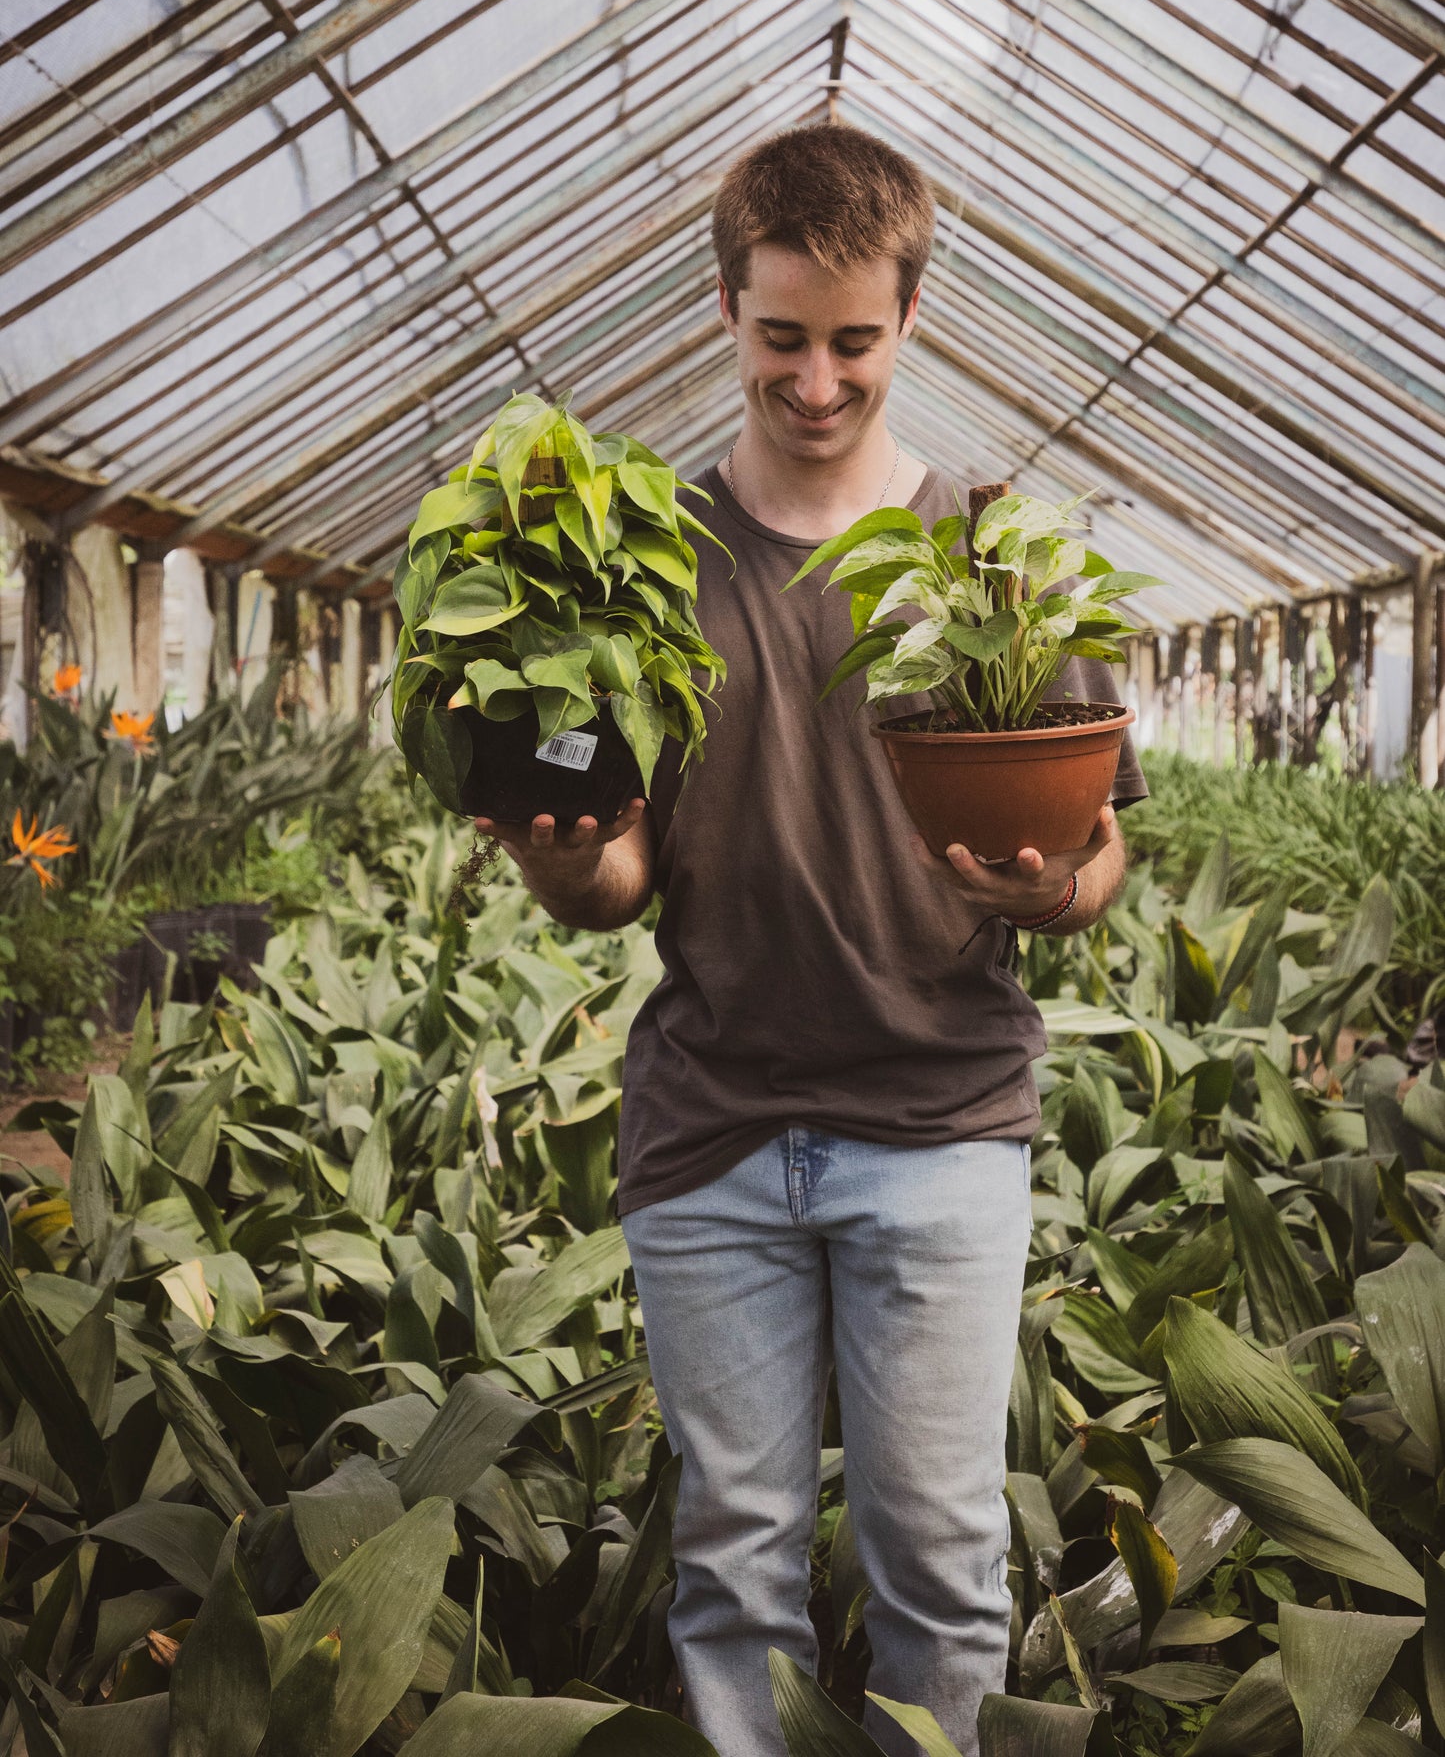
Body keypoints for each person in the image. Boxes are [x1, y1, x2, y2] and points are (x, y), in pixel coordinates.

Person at [475, 123, 1146, 1757]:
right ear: (726, 306)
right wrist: (563, 857)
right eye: (781, 335)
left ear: (907, 320)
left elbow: (1103, 840)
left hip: (938, 1126)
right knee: (732, 1564)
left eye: (853, 340)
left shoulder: (991, 557)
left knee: (937, 1556)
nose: (818, 377)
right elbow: (620, 880)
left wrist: (1053, 894)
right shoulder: (641, 570)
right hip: (713, 1132)